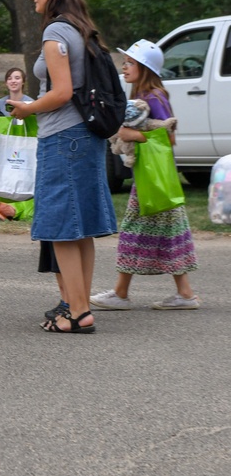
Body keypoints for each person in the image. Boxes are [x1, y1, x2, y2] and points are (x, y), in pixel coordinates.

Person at [9, 0, 117, 333]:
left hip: (63, 138)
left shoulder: (56, 30)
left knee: (60, 228)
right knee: (81, 227)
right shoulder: (83, 28)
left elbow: (61, 92)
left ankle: (77, 312)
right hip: (86, 138)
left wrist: (27, 108)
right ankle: (78, 305)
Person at [90, 39, 199, 311]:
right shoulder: (148, 97)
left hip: (153, 178)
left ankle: (121, 293)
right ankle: (184, 295)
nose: (124, 67)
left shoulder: (154, 97)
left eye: (130, 63)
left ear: (145, 68)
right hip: (154, 178)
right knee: (167, 235)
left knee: (134, 233)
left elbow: (168, 138)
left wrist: (130, 135)